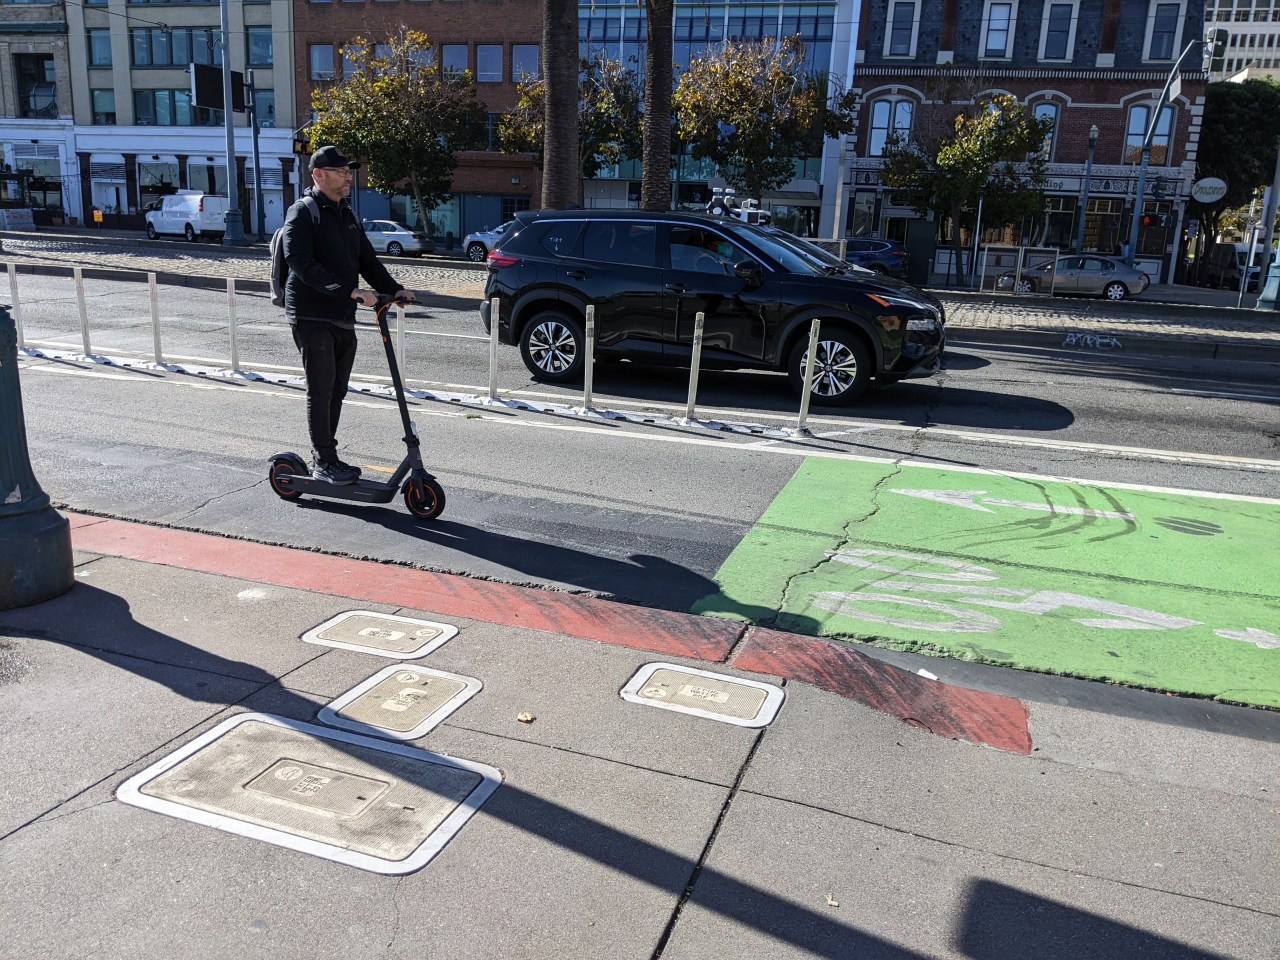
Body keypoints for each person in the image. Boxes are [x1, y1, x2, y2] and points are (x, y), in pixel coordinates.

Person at [282, 145, 416, 485]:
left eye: (348, 171)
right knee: (321, 388)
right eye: (341, 171)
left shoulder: (348, 215)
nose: (348, 176)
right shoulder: (303, 212)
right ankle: (323, 460)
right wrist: (348, 290)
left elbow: (367, 261)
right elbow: (299, 264)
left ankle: (329, 456)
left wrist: (395, 289)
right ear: (318, 175)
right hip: (311, 314)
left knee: (338, 389)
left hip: (342, 313)